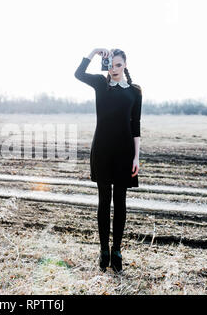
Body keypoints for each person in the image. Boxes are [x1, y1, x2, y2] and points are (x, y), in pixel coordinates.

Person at [74, 48, 142, 273]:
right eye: (110, 64)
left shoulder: (134, 92)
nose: (114, 68)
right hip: (102, 150)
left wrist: (136, 157)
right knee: (104, 202)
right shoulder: (100, 85)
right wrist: (93, 52)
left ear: (125, 65)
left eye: (118, 65)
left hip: (124, 153)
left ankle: (117, 251)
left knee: (120, 202)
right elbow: (78, 74)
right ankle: (104, 250)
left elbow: (136, 127)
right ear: (106, 64)